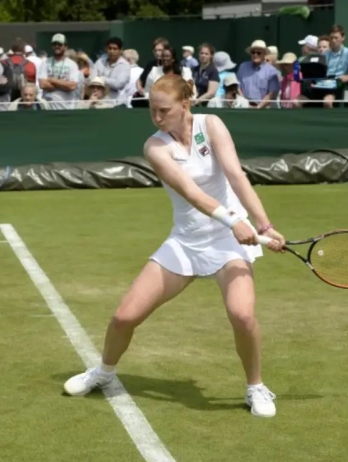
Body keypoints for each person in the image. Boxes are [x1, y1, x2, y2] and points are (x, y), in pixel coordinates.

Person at [63, 74, 286, 418]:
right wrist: (233, 220)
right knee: (124, 317)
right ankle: (104, 373)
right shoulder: (154, 147)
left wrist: (264, 225)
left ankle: (255, 387)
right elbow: (192, 193)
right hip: (186, 241)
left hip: (228, 243)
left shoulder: (211, 125)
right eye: (152, 110)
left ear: (185, 104)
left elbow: (236, 176)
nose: (156, 118)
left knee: (242, 315)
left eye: (163, 110)